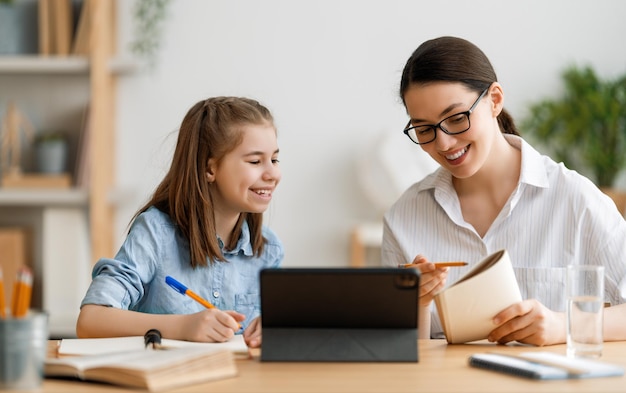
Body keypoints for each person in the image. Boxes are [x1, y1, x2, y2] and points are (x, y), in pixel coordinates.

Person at [382, 36, 626, 346]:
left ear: (495, 100)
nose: (443, 144)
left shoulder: (575, 199)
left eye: (457, 118)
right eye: (424, 129)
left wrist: (563, 325)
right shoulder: (404, 216)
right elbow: (392, 346)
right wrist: (417, 305)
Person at [76, 96, 283, 348]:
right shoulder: (155, 232)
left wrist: (274, 328)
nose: (272, 174)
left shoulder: (269, 249)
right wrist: (183, 327)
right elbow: (91, 320)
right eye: (255, 161)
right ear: (210, 169)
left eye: (274, 159)